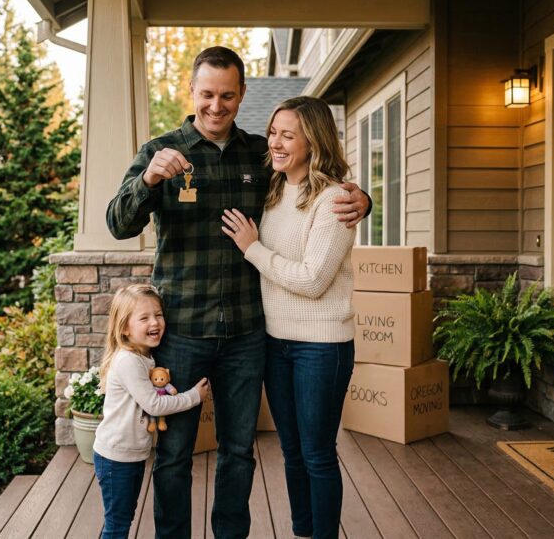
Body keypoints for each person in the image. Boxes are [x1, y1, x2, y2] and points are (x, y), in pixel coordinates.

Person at [106, 46, 369, 539]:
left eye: (227, 96)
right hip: (182, 329)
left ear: (242, 95)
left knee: (237, 451)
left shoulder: (258, 153)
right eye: (207, 94)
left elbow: (309, 181)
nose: (216, 106)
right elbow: (118, 224)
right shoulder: (161, 152)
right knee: (175, 453)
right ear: (191, 92)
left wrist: (362, 198)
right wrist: (146, 180)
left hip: (249, 333)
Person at [222, 96, 356, 539]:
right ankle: (303, 531)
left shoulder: (335, 200)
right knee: (292, 450)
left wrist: (253, 249)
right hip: (275, 342)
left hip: (321, 346)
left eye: (287, 135)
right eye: (273, 132)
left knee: (317, 452)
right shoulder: (274, 189)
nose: (274, 143)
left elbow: (314, 280)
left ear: (313, 140)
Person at [93, 284, 211, 539]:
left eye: (158, 315)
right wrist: (193, 397)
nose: (155, 322)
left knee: (124, 518)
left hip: (131, 456)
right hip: (116, 458)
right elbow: (154, 405)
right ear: (124, 327)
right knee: (118, 524)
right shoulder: (128, 361)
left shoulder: (144, 358)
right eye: (144, 318)